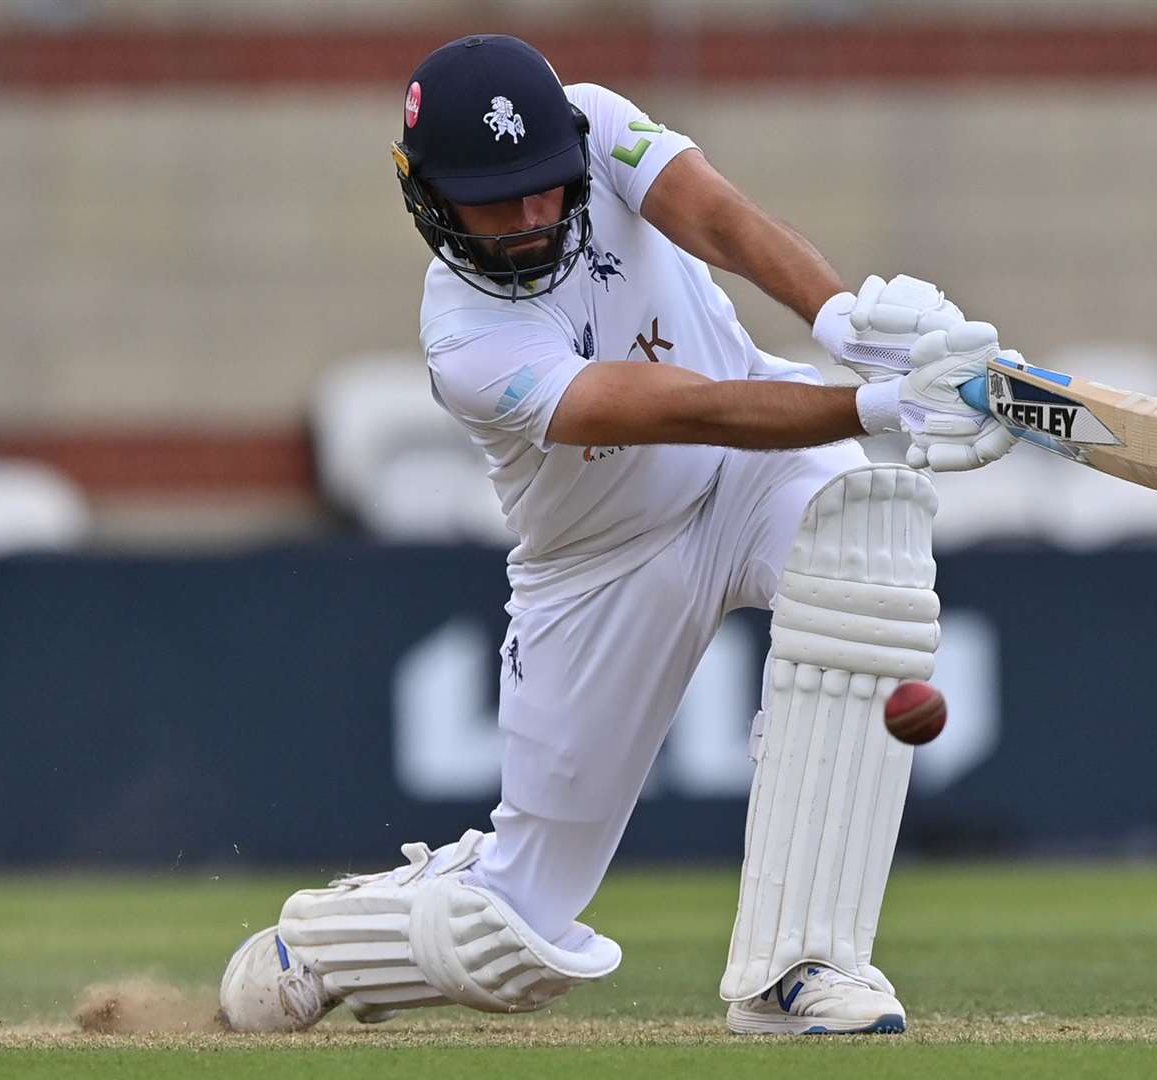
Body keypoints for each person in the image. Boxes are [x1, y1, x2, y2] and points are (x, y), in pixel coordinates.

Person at [219, 33, 1015, 1036]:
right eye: (493, 200)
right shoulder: (468, 342)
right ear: (427, 198)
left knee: (868, 542)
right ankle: (331, 938)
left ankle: (799, 968)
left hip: (755, 473)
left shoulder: (590, 117)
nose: (528, 218)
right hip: (602, 564)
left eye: (544, 188)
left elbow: (717, 218)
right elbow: (689, 410)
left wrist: (841, 318)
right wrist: (877, 405)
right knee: (506, 937)